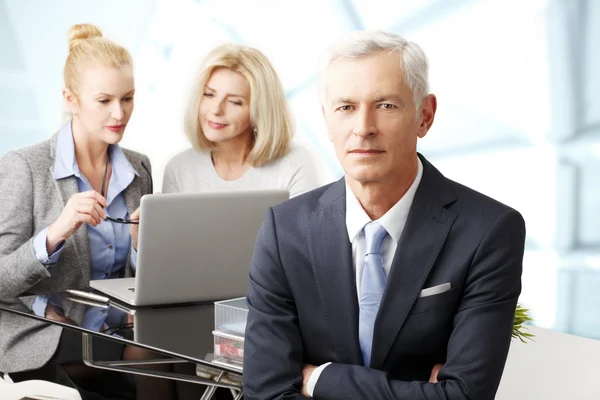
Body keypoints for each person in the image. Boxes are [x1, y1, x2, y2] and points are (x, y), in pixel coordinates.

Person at [243, 30, 526, 399]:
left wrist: (318, 380)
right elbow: (265, 392)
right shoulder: (285, 229)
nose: (363, 128)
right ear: (327, 120)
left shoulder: (488, 231)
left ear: (425, 116)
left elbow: (464, 396)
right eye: (346, 107)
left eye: (386, 105)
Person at [0, 24, 163, 399]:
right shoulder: (25, 167)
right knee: (147, 362)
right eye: (103, 101)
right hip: (45, 337)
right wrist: (55, 232)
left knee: (187, 361)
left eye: (128, 98)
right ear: (71, 99)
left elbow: (142, 281)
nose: (119, 113)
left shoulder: (139, 170)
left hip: (115, 332)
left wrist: (142, 248)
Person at [162, 43, 320, 197]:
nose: (216, 110)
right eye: (209, 94)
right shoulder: (179, 169)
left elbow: (305, 223)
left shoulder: (294, 164)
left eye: (234, 102)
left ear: (260, 111)